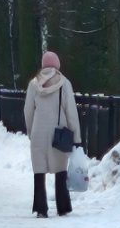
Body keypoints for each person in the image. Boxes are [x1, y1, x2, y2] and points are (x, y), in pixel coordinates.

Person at [23, 51, 81, 218]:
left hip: (38, 131)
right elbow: (71, 111)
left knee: (39, 171)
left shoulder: (33, 84)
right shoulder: (65, 83)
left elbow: (28, 110)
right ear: (57, 65)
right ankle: (63, 206)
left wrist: (30, 130)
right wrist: (76, 136)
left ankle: (41, 208)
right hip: (59, 132)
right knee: (60, 169)